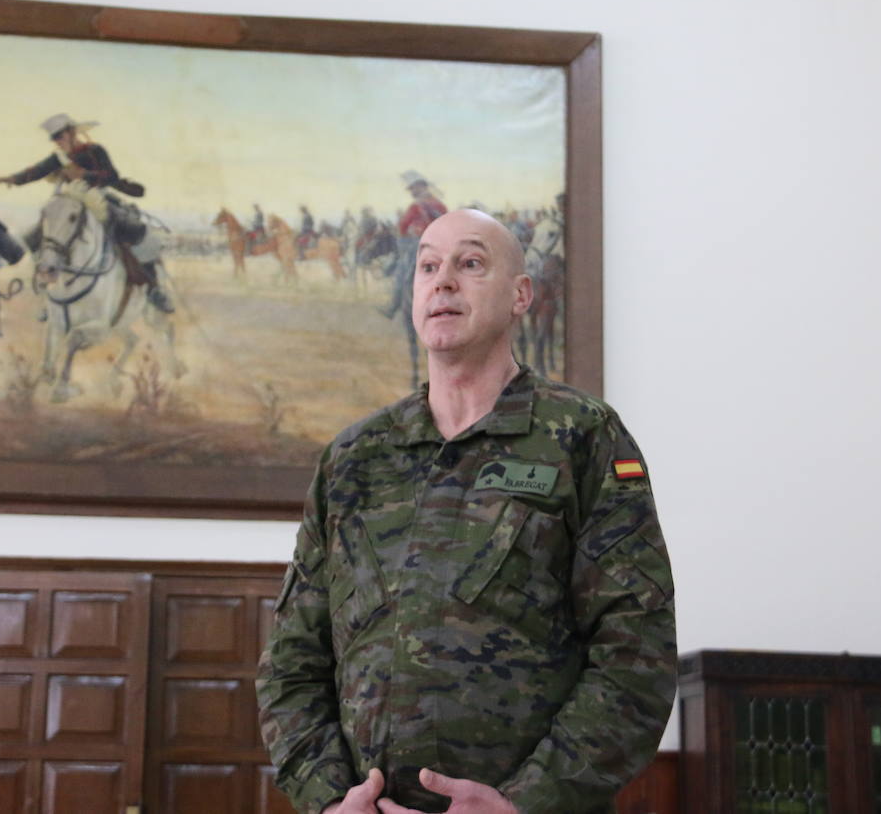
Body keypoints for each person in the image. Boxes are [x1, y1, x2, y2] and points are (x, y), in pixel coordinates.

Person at [256, 208, 676, 813]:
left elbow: (637, 654)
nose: (442, 280)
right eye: (427, 265)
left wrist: (526, 802)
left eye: (470, 263)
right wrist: (329, 801)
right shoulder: (353, 459)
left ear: (520, 295)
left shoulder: (582, 436)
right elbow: (291, 664)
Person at [0, 113, 172, 313]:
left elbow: (111, 176)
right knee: (36, 236)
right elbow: (36, 171)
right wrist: (11, 179)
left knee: (136, 231)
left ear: (71, 133)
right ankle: (46, 291)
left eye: (60, 136)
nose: (57, 142)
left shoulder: (95, 151)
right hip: (68, 205)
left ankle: (154, 290)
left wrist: (84, 175)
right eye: (54, 138)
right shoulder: (58, 158)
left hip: (97, 201)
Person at [381, 171, 449, 319]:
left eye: (414, 188)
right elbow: (403, 226)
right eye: (411, 189)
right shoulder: (426, 205)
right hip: (426, 245)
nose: (412, 191)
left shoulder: (428, 205)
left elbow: (403, 227)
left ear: (422, 186)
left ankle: (393, 307)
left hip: (424, 246)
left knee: (401, 274)